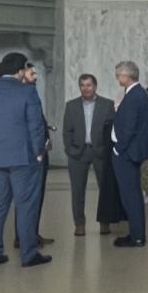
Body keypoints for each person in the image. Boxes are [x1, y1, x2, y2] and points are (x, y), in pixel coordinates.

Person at [0, 51, 51, 268]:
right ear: (21, 70)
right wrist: (39, 151)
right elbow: (35, 126)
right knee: (25, 206)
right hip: (24, 158)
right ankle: (28, 254)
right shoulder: (27, 93)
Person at [62, 73, 114, 236]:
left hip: (100, 151)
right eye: (82, 85)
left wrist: (109, 150)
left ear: (95, 86)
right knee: (77, 190)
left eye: (89, 85)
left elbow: (112, 129)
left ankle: (105, 222)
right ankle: (79, 224)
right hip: (78, 152)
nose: (85, 88)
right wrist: (70, 149)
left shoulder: (107, 104)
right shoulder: (71, 106)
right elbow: (66, 131)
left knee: (105, 189)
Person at [110, 61, 148, 247]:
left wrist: (118, 148)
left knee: (131, 195)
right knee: (132, 194)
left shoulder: (135, 95)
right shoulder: (137, 93)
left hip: (127, 152)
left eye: (118, 75)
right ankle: (136, 234)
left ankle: (136, 236)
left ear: (126, 76)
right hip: (130, 150)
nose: (117, 78)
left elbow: (129, 127)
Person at [19, 61, 55, 251]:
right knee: (29, 197)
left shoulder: (31, 92)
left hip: (39, 151)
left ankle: (31, 233)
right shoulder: (24, 94)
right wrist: (38, 151)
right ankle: (25, 237)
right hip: (32, 154)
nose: (36, 77)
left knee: (37, 196)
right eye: (32, 74)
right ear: (22, 74)